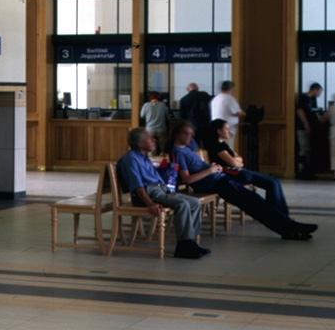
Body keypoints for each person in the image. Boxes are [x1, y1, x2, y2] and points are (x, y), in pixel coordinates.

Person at [193, 121, 317, 237]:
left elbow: (239, 159)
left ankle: (286, 222)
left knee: (271, 184)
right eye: (226, 129)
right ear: (218, 131)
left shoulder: (222, 145)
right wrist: (236, 162)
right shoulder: (215, 146)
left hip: (228, 176)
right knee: (259, 197)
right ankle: (287, 224)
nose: (229, 131)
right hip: (229, 177)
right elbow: (236, 162)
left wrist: (237, 161)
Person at [117, 127, 209, 259]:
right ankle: (183, 246)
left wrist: (168, 190)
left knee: (194, 202)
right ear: (140, 144)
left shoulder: (144, 157)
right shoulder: (130, 159)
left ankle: (191, 242)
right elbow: (137, 185)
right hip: (148, 194)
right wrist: (150, 204)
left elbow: (156, 177)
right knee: (182, 204)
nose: (154, 140)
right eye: (150, 139)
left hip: (159, 190)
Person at [294, 83, 323, 179]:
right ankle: (301, 170)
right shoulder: (304, 98)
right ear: (315, 89)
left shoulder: (312, 99)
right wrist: (306, 123)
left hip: (310, 126)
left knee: (308, 149)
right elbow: (300, 111)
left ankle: (307, 170)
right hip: (302, 127)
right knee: (303, 148)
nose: (319, 94)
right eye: (319, 92)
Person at [210, 80, 243, 145]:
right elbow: (237, 112)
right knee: (227, 147)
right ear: (231, 88)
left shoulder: (215, 99)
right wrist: (245, 113)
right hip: (227, 130)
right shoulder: (229, 99)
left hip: (216, 128)